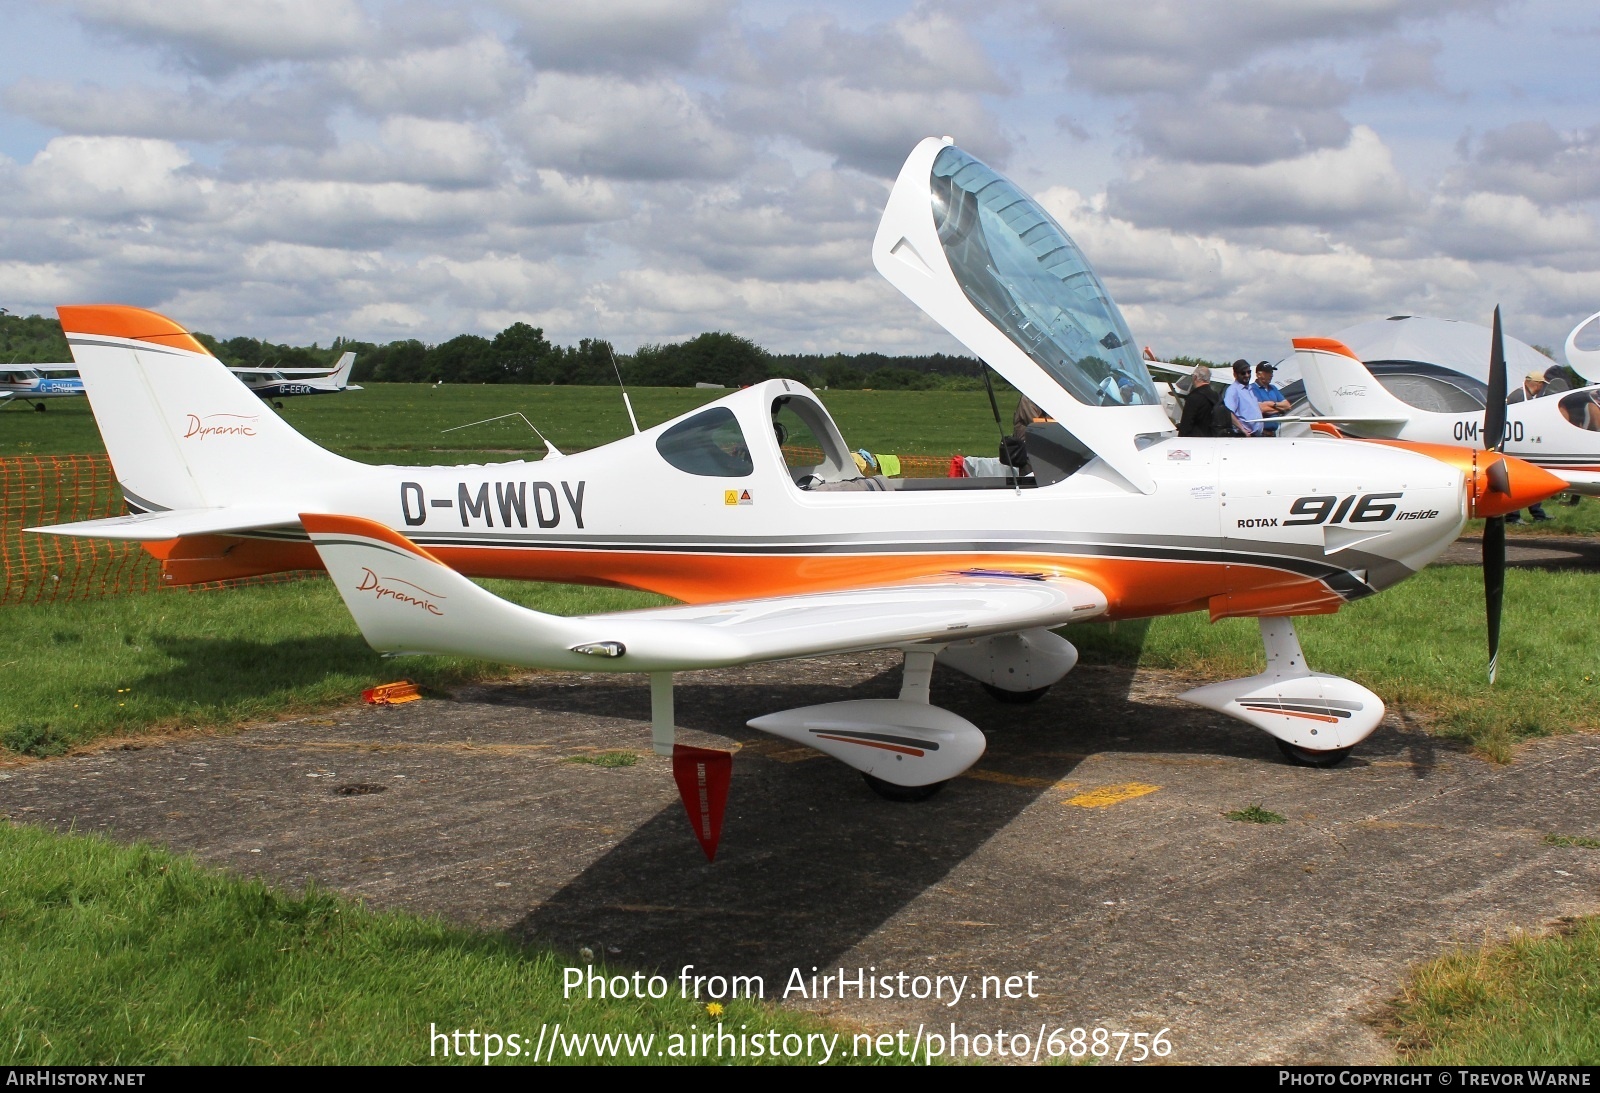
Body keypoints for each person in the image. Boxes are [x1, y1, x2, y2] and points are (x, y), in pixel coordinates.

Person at [1505, 371, 1553, 522]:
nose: (1542, 388)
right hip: (1517, 446)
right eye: (1542, 384)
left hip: (1523, 443)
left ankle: (1536, 514)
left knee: (1530, 478)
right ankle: (1513, 516)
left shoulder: (1524, 396)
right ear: (1537, 384)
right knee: (1518, 480)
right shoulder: (1519, 397)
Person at [1222, 359, 1264, 436]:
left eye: (1249, 372)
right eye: (1243, 373)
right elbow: (1228, 413)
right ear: (1235, 375)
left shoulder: (1249, 388)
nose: (1247, 375)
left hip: (1255, 435)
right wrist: (1242, 429)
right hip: (1243, 435)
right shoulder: (1233, 390)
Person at [1177, 364, 1220, 437]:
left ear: (1195, 377)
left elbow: (1186, 424)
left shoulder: (1194, 397)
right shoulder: (1216, 396)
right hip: (1212, 438)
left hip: (1196, 440)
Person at [1249, 361, 1291, 436]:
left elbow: (1287, 406)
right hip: (1260, 434)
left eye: (1271, 372)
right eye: (1268, 372)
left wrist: (1272, 404)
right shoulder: (1252, 389)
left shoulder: (1273, 388)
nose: (1271, 375)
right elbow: (1261, 409)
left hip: (1272, 434)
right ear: (1259, 374)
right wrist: (1280, 409)